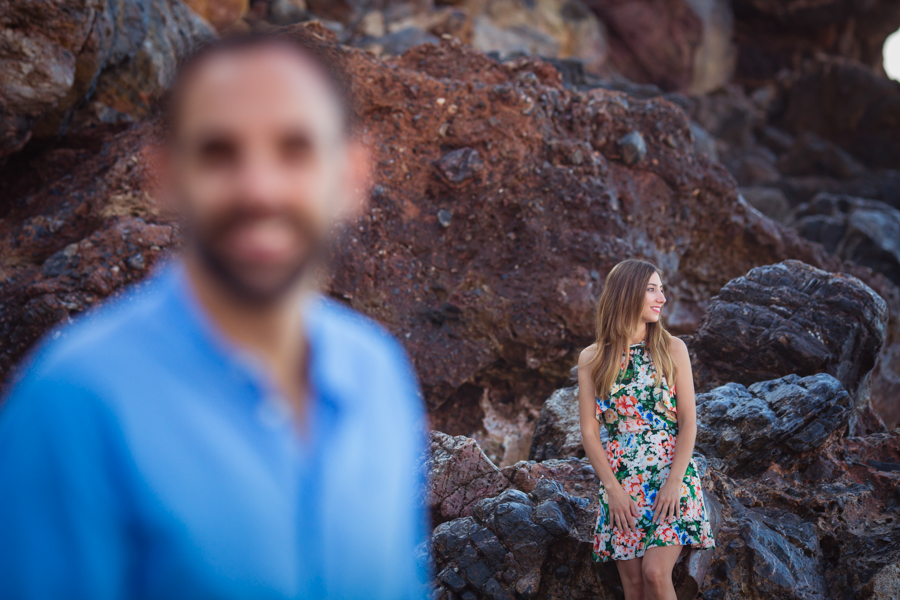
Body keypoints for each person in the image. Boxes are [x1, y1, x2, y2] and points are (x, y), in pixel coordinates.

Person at [0, 32, 431, 600]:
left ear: (352, 174)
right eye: (219, 152)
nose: (258, 189)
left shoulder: (379, 375)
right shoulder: (73, 402)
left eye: (295, 149)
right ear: (164, 175)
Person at [577, 259, 715, 600]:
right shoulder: (593, 358)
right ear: (628, 294)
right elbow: (590, 433)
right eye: (652, 289)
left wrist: (674, 483)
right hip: (622, 482)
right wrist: (613, 490)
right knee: (634, 586)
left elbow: (688, 422)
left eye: (661, 289)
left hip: (671, 477)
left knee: (655, 573)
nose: (662, 298)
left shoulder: (672, 349)